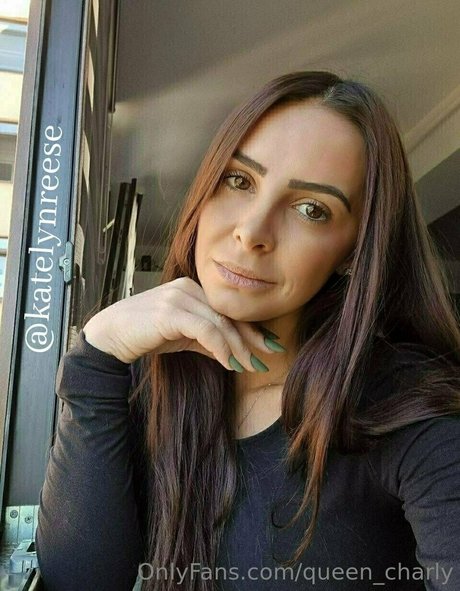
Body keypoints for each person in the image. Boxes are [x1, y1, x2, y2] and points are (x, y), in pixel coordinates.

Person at [35, 71, 460, 591]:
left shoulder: (409, 411)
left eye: (312, 210)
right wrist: (96, 354)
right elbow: (80, 582)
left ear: (354, 252)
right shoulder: (148, 377)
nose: (252, 232)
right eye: (239, 180)